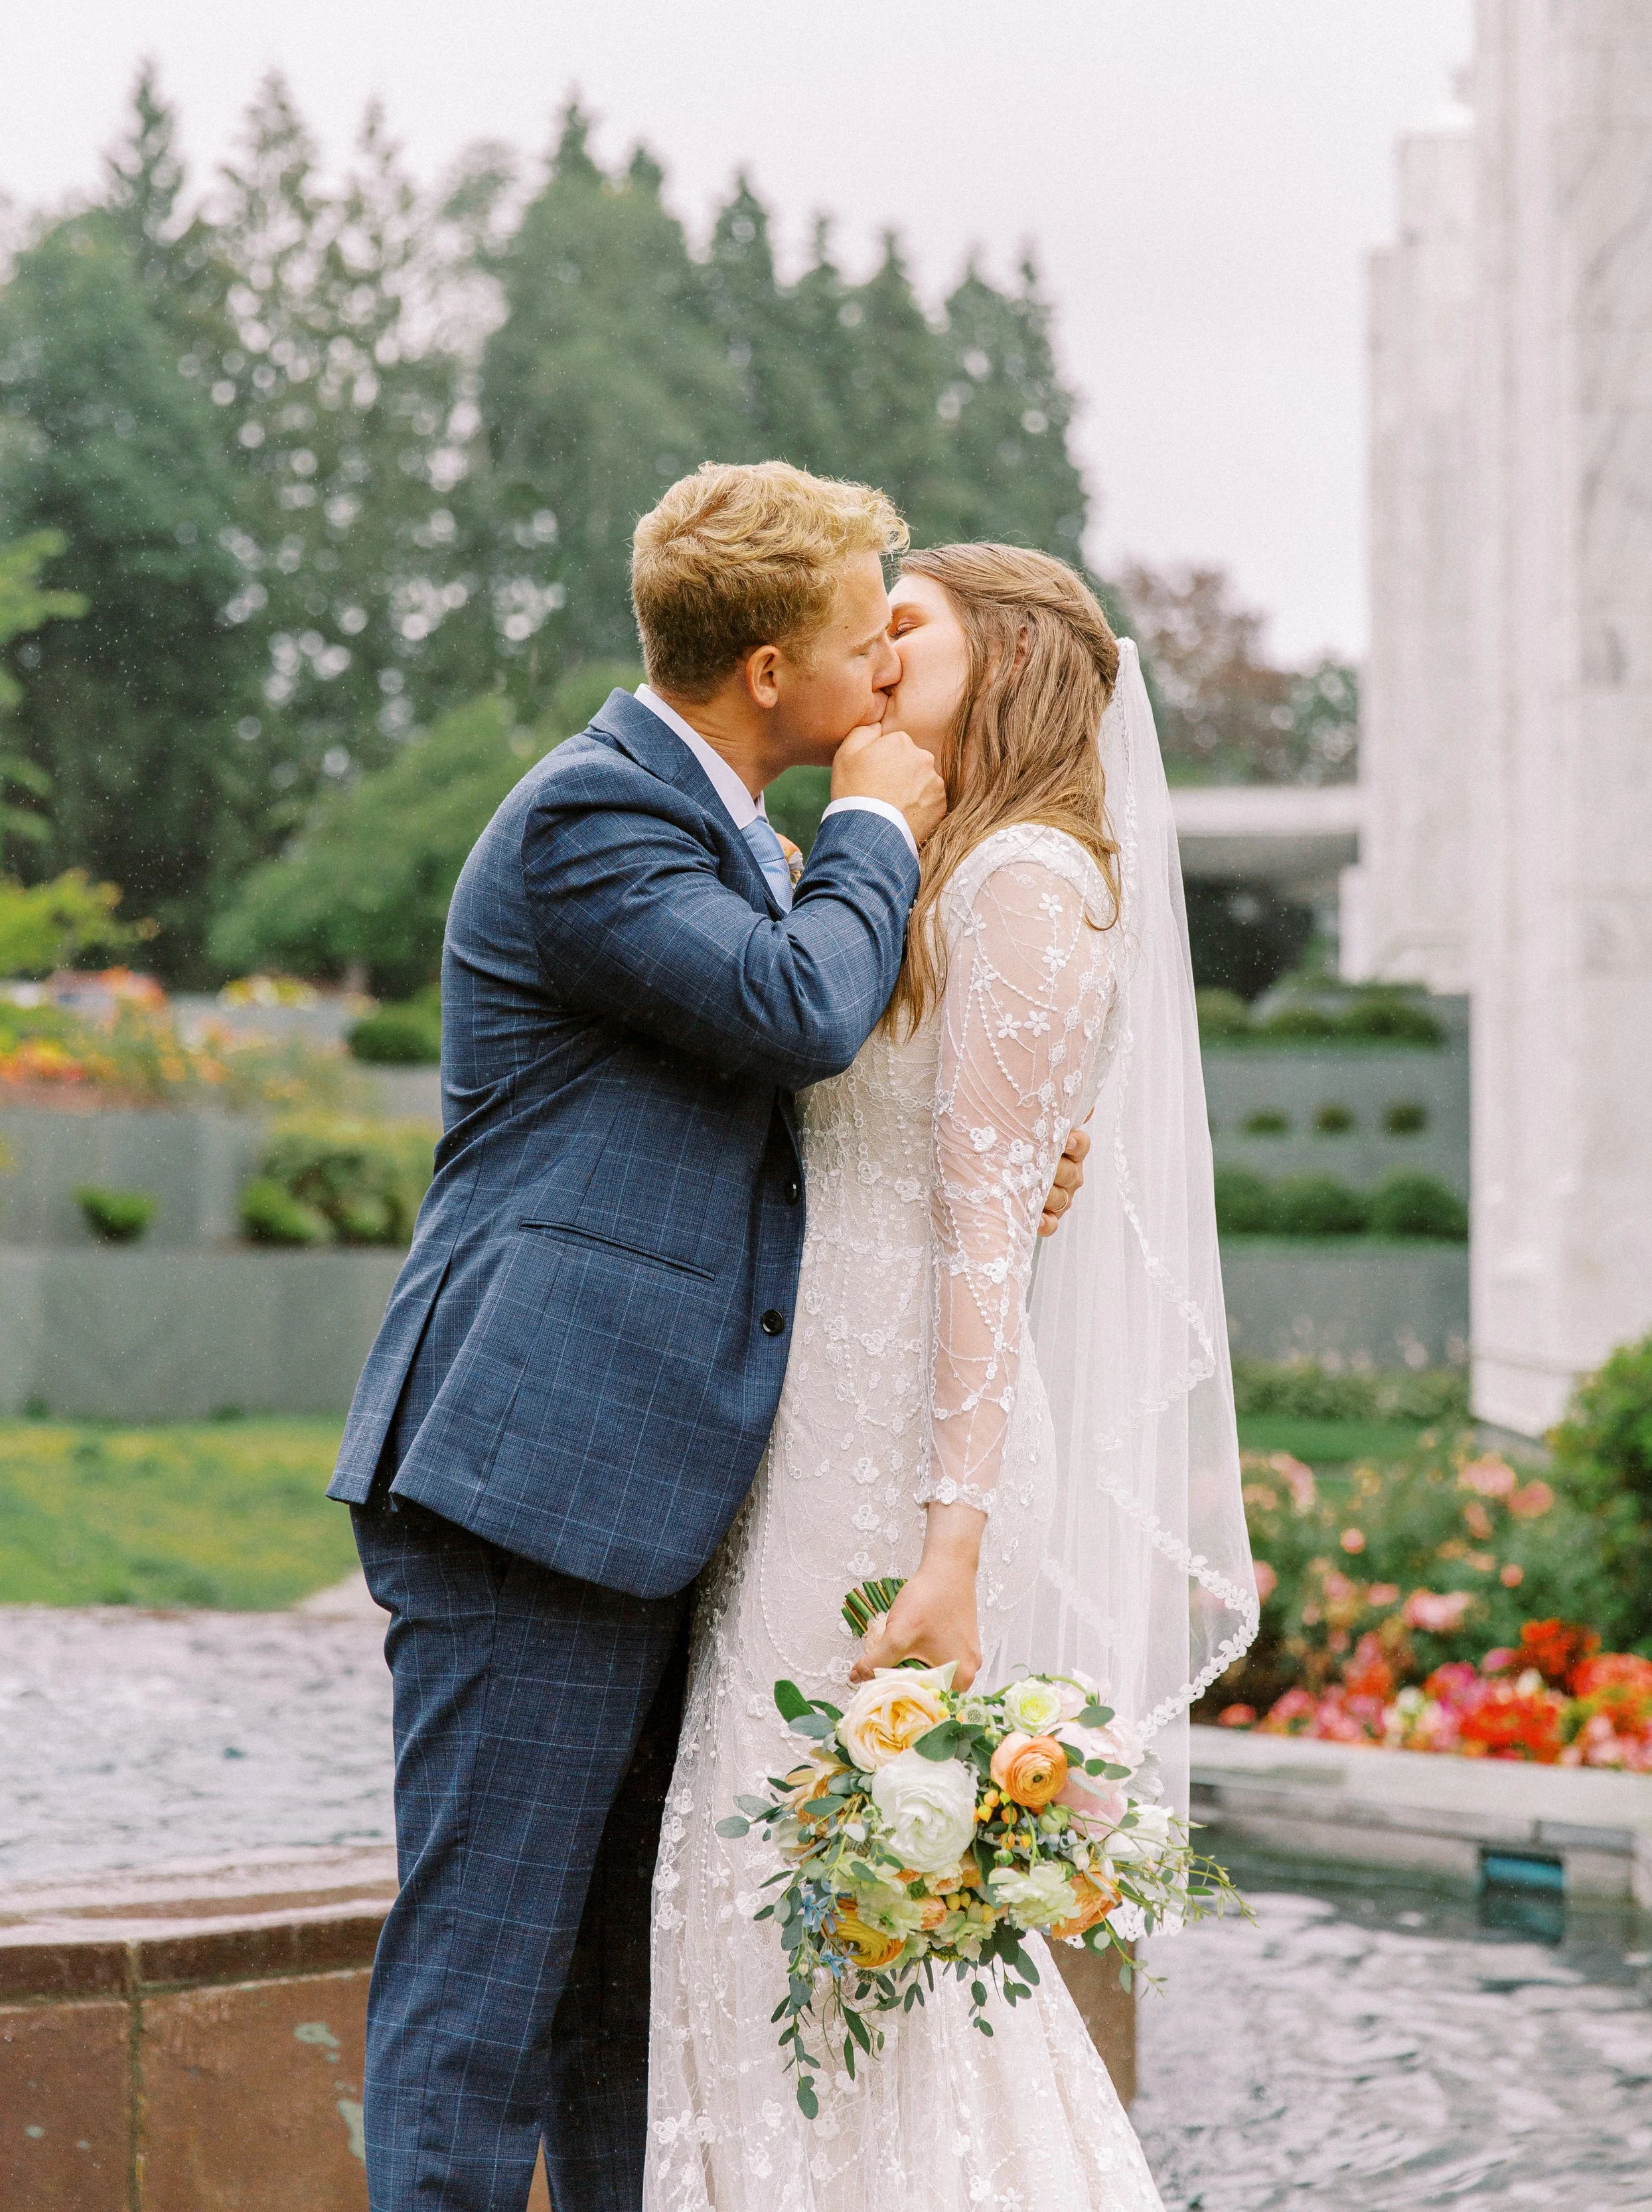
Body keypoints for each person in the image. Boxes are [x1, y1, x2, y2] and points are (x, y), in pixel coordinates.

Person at [326, 465, 1089, 2212]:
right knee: (480, 2003)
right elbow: (800, 1011)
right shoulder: (591, 818)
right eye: (857, 639)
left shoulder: (723, 826)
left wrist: (994, 1153)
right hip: (530, 1477)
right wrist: (881, 820)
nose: (880, 679)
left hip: (675, 1490)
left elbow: (788, 1102)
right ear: (768, 675)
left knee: (625, 2013)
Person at [646, 545, 1258, 2211]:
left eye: (903, 623)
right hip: (815, 1417)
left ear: (1007, 659)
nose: (870, 646)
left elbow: (988, 1236)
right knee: (768, 1885)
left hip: (910, 1448)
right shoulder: (930, 874)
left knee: (817, 1898)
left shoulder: (1023, 888)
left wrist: (953, 1547)